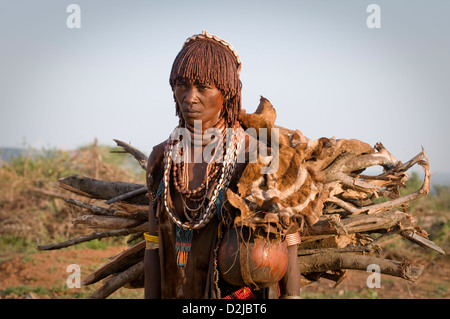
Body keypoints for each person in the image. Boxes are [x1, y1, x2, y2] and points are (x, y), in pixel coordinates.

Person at [143, 31, 301, 299]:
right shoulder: (162, 157)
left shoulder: (255, 155)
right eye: (181, 84)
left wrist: (292, 297)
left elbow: (289, 244)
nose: (190, 97)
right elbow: (153, 246)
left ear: (227, 93)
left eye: (203, 87)